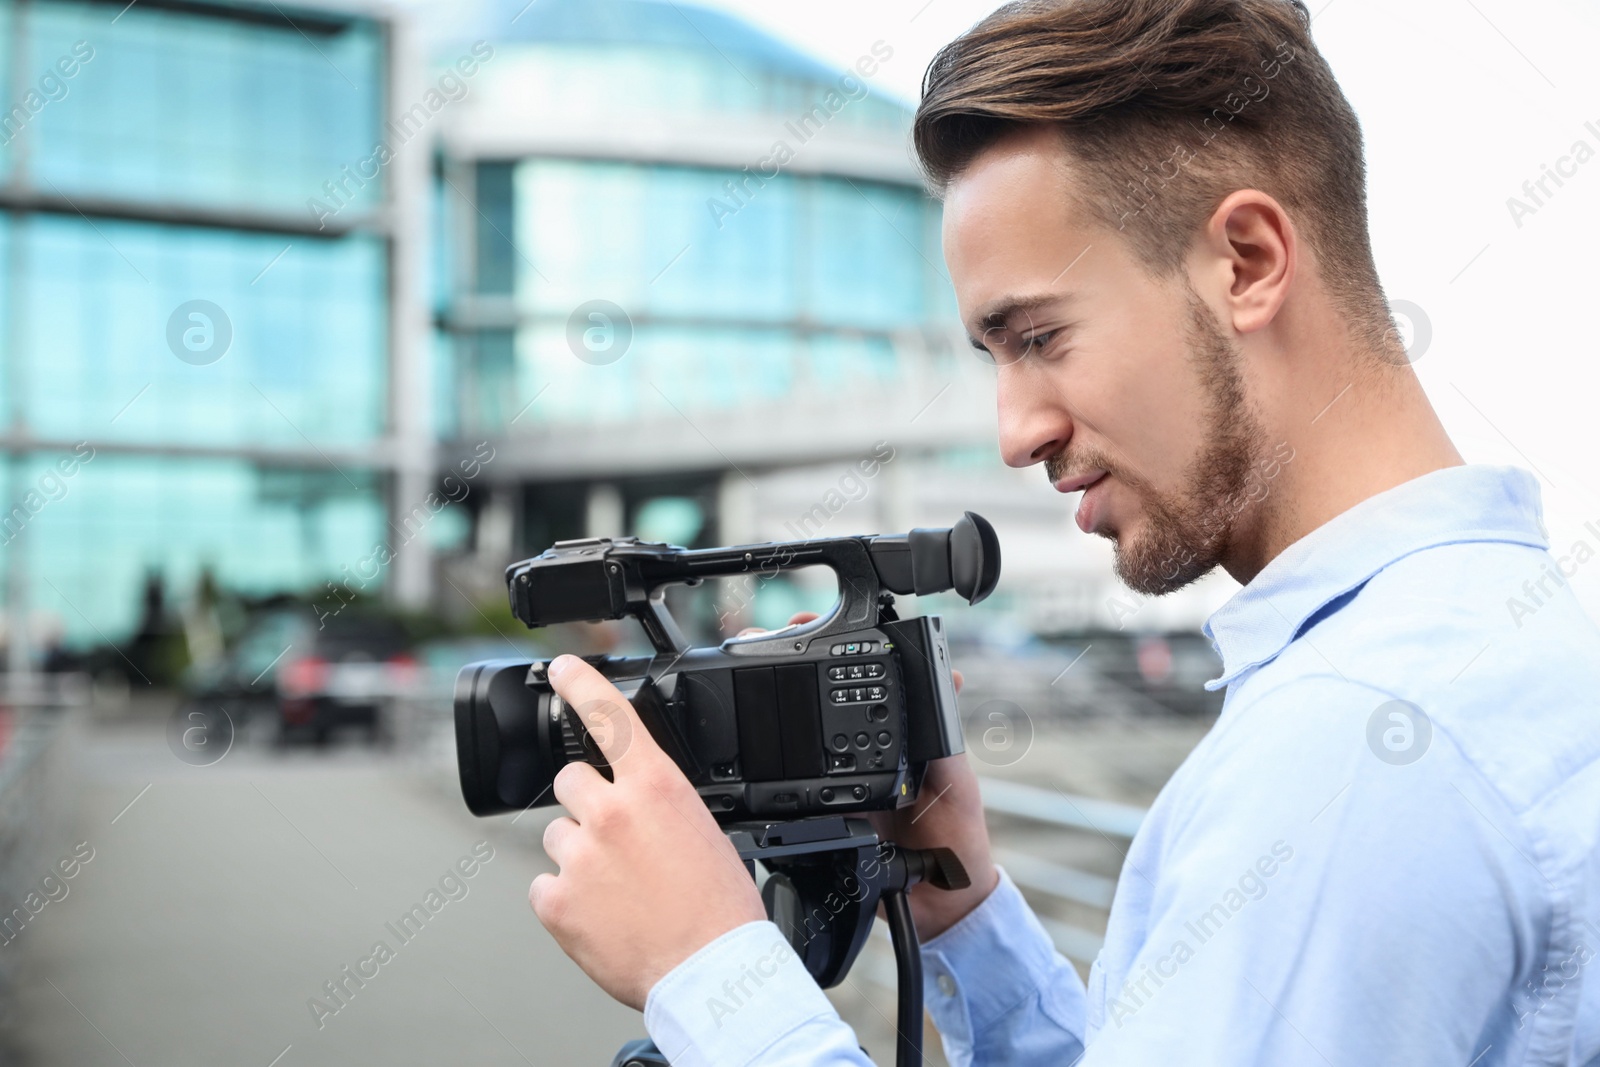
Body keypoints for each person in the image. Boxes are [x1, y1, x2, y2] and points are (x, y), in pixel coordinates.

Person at [526, 1, 1600, 1063]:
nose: (1014, 431)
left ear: (1246, 261)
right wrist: (960, 908)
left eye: (1039, 335)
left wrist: (708, 970)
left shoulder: (1349, 753)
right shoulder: (1480, 658)